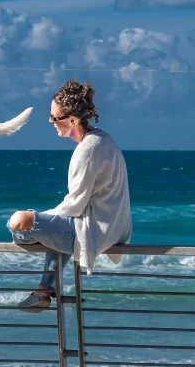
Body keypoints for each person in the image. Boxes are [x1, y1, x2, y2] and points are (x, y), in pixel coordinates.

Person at [8, 79, 132, 312]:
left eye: (55, 117)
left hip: (96, 230)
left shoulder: (88, 148)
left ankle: (44, 288)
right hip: (110, 227)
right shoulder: (102, 139)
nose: (50, 121)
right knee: (47, 226)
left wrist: (38, 218)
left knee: (18, 222)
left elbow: (74, 206)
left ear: (72, 120)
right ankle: (44, 290)